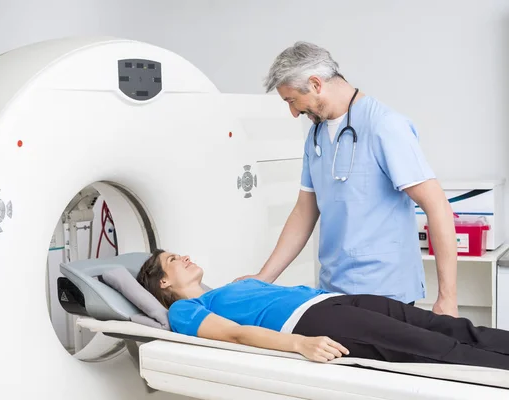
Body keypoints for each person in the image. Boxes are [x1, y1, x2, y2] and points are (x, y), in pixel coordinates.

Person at [235, 41, 459, 317]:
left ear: (316, 84)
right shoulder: (315, 135)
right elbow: (304, 211)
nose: (293, 113)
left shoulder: (384, 126)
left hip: (385, 292)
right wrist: (263, 278)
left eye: (292, 101)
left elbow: (437, 206)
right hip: (333, 289)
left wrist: (447, 298)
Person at [137, 249, 509, 370]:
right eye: (173, 259)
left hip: (337, 300)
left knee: (454, 328)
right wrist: (299, 343)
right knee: (437, 350)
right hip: (317, 320)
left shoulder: (232, 286)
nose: (184, 256)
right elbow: (235, 335)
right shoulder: (186, 309)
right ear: (163, 283)